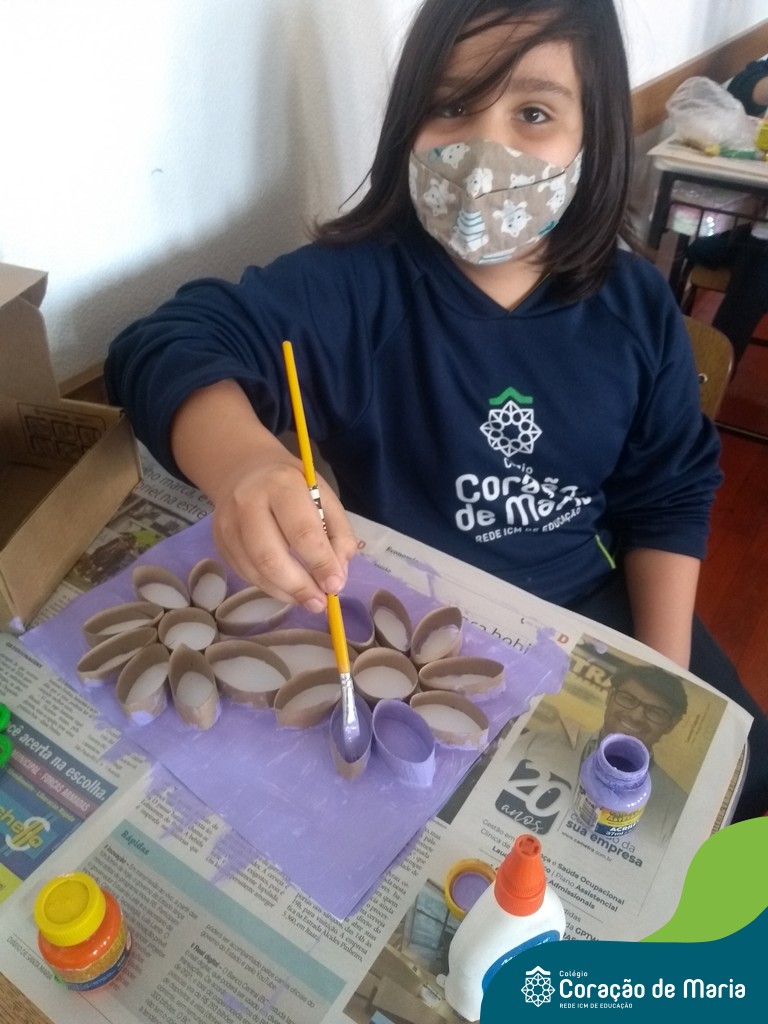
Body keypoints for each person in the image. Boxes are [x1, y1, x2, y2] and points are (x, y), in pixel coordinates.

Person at [104, 0, 767, 820]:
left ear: (592, 135)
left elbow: (668, 495)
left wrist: (660, 678)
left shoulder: (635, 307)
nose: (484, 152)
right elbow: (163, 341)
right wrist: (244, 460)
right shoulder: (355, 287)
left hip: (595, 608)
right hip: (411, 628)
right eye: (451, 105)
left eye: (534, 113)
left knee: (741, 790)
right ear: (405, 123)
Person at [514, 664, 691, 846]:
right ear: (609, 696)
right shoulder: (541, 740)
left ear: (671, 724)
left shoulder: (675, 809)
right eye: (628, 698)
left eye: (656, 712)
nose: (636, 716)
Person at [685, 57, 768, 369]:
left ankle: (707, 376)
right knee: (702, 248)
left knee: (754, 275)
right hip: (756, 221)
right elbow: (742, 88)